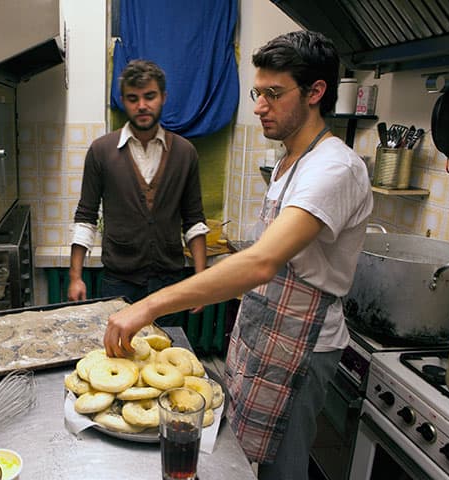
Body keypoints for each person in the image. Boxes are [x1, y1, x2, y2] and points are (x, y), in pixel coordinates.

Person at [103, 31, 373, 480]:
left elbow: (263, 262)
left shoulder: (334, 168)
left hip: (302, 348)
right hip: (263, 335)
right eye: (257, 92)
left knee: (281, 472)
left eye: (274, 93)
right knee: (245, 462)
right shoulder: (290, 160)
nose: (259, 106)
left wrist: (147, 306)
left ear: (316, 93)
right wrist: (208, 287)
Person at [68, 59, 209, 326]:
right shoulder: (101, 151)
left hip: (170, 282)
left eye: (150, 96)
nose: (142, 105)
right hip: (118, 281)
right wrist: (76, 276)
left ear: (163, 97)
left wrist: (200, 282)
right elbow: (85, 217)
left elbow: (194, 221)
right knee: (118, 357)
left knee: (165, 354)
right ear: (123, 101)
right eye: (133, 98)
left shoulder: (184, 153)